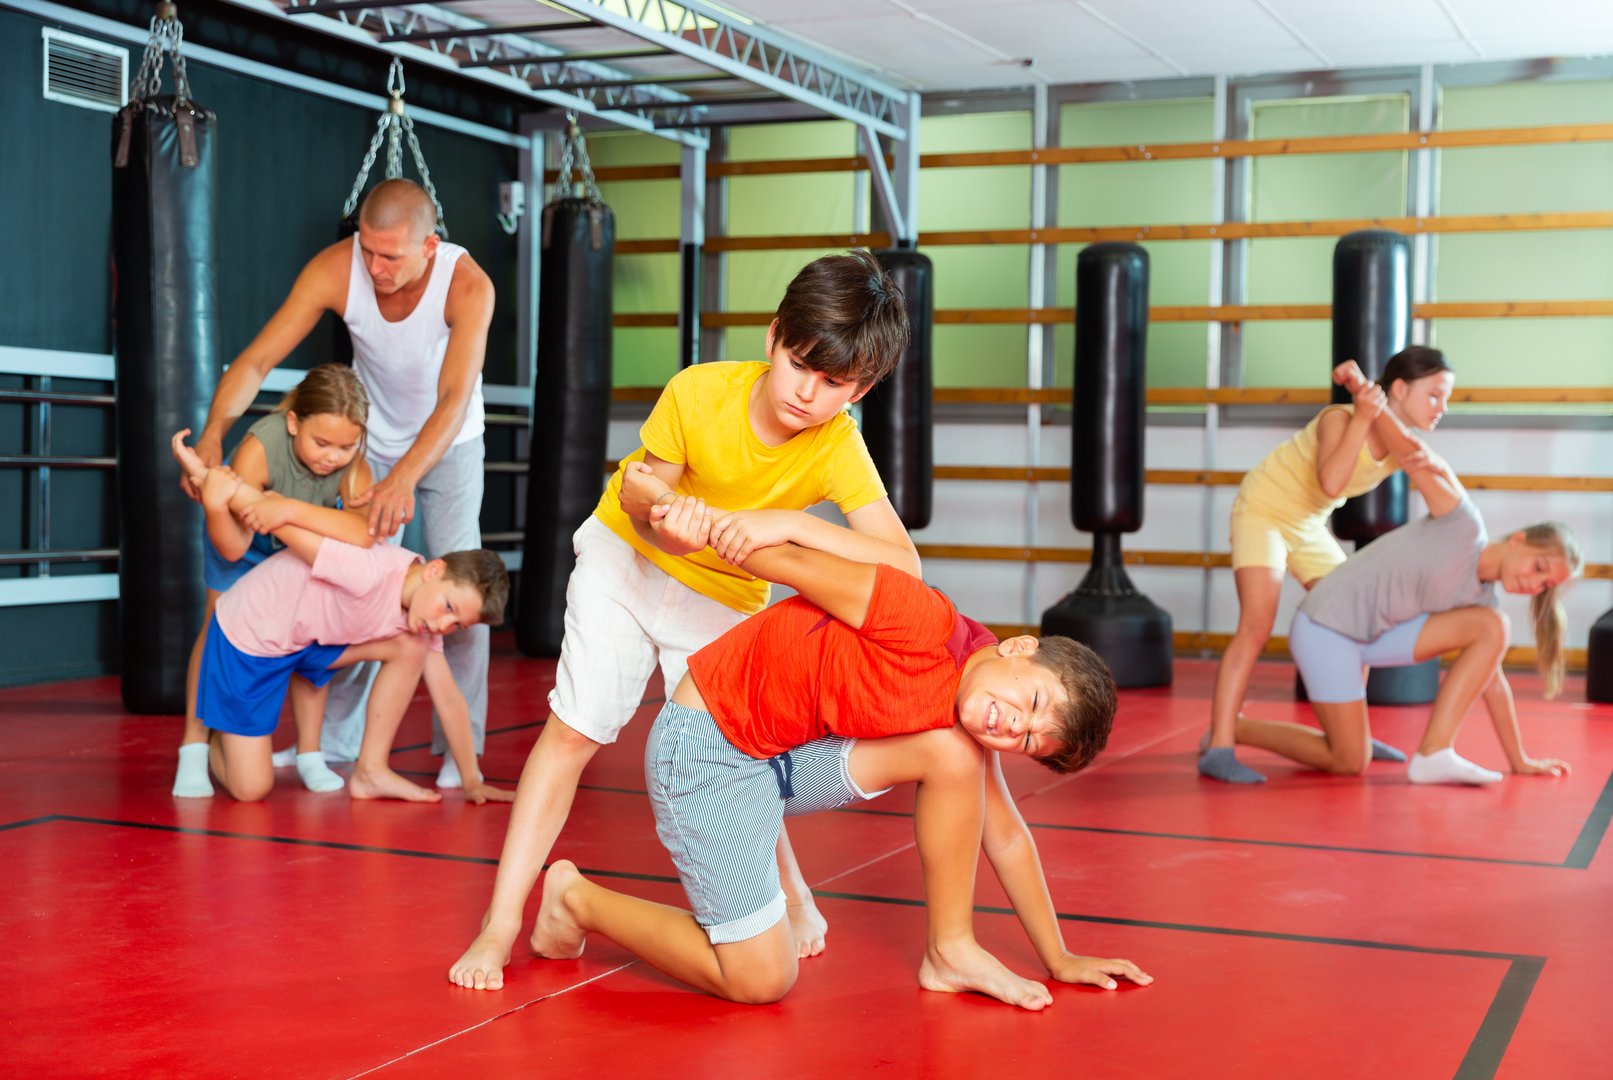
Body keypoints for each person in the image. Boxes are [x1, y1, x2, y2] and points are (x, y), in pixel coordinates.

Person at [449, 251, 919, 989]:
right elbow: (645, 502)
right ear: (773, 339)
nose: (808, 393)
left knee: (743, 756)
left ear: (862, 388)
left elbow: (902, 567)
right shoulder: (700, 391)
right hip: (626, 561)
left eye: (836, 384)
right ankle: (499, 924)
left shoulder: (836, 441)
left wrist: (780, 524)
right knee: (573, 731)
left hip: (725, 593)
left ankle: (794, 894)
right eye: (801, 365)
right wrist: (671, 518)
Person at [502, 508, 1151, 1009]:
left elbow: (1005, 835)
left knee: (954, 756)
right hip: (706, 749)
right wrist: (697, 523)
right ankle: (574, 898)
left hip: (775, 760)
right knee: (761, 981)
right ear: (1018, 648)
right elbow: (787, 563)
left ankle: (949, 951)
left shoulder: (968, 711)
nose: (1015, 727)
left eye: (1032, 742)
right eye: (1032, 702)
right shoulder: (921, 622)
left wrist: (1059, 956)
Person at [180, 179, 494, 788]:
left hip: (449, 443)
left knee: (456, 585)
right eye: (367, 250)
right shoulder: (338, 268)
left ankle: (465, 750)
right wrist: (217, 428)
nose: (374, 267)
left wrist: (405, 476)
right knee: (354, 589)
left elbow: (455, 398)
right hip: (368, 443)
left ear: (430, 245)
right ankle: (341, 739)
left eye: (391, 256)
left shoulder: (467, 284)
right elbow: (257, 361)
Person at [1229, 361, 1580, 785]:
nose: (1532, 583)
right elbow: (1415, 456)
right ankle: (1234, 727)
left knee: (1492, 628)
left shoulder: (1482, 602)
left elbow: (1493, 681)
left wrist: (1520, 758)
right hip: (1326, 629)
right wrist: (1365, 395)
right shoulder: (1463, 525)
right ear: (1519, 540)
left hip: (1369, 640)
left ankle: (1435, 752)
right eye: (1538, 567)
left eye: (1544, 585)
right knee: (1348, 760)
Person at [171, 432, 514, 805]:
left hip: (304, 640)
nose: (445, 626)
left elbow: (449, 699)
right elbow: (279, 524)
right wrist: (205, 476)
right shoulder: (367, 569)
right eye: (449, 608)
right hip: (251, 638)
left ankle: (371, 771)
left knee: (412, 647)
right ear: (433, 570)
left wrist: (471, 780)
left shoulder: (421, 618)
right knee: (251, 789)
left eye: (458, 625)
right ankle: (218, 733)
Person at [1202, 346, 1457, 784]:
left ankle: (1351, 733)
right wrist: (1360, 413)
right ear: (1399, 388)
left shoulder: (1399, 443)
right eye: (1434, 395)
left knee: (1355, 617)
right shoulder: (1340, 419)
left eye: (1446, 398)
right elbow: (1331, 482)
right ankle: (1219, 743)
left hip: (1307, 525)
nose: (1442, 408)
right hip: (1264, 510)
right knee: (1257, 625)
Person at [173, 364, 373, 799]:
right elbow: (232, 547)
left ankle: (310, 752)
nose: (332, 457)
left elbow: (362, 533)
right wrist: (214, 505)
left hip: (294, 547)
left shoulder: (355, 463)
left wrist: (286, 511)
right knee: (216, 629)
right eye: (321, 443)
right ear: (293, 421)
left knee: (310, 639)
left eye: (345, 446)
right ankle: (193, 746)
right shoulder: (259, 449)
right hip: (244, 541)